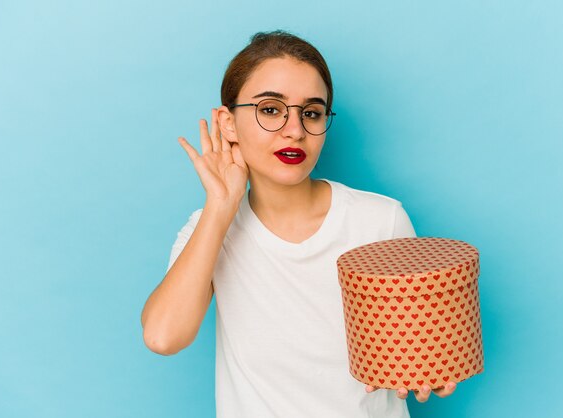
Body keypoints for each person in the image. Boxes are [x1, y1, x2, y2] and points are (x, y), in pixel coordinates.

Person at [141, 30, 457, 417]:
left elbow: (418, 349)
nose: (295, 130)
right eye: (270, 109)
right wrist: (221, 206)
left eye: (311, 113)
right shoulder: (209, 228)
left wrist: (431, 368)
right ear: (227, 123)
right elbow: (163, 336)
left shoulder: (380, 220)